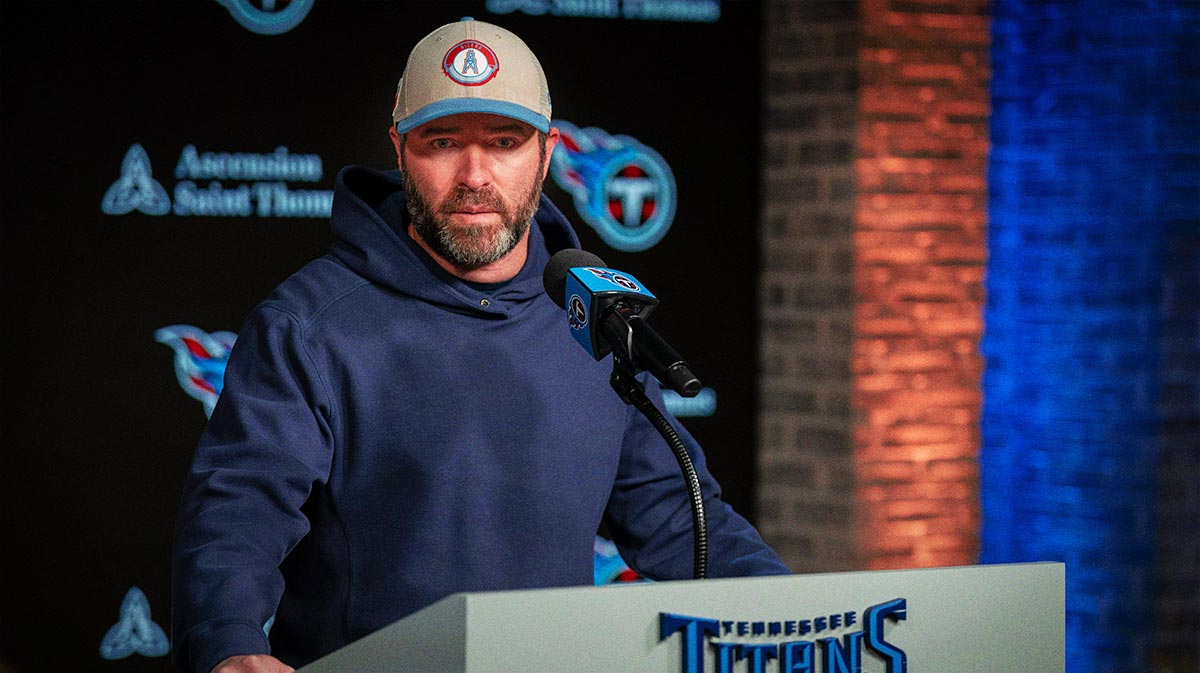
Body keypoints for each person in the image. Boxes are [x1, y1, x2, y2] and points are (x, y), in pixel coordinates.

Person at [171, 18, 790, 673]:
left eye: (504, 141)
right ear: (400, 149)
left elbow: (675, 512)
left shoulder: (591, 319)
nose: (474, 175)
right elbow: (238, 508)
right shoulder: (310, 325)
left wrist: (797, 622)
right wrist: (227, 643)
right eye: (442, 141)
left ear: (547, 154)